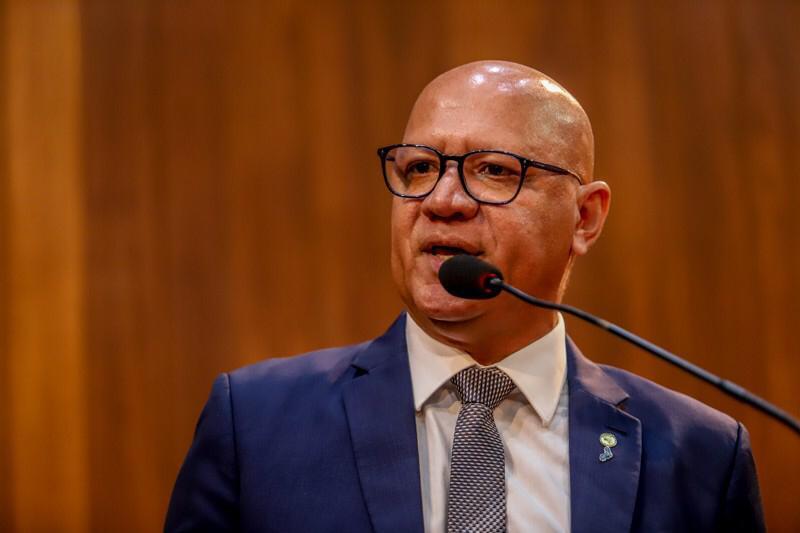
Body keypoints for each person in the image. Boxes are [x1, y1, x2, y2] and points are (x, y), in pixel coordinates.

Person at [165, 61, 765, 532]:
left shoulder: (700, 456)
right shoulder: (254, 427)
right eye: (420, 168)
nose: (442, 200)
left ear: (585, 217)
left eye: (494, 170)